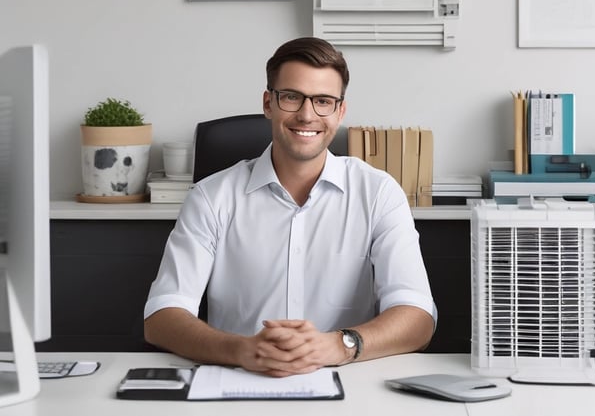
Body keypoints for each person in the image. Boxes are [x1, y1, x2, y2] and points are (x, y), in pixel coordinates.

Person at [144, 36, 436, 376]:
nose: (307, 114)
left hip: (349, 384)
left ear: (340, 111)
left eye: (323, 101)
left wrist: (340, 345)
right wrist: (240, 349)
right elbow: (162, 316)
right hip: (238, 380)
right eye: (292, 97)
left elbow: (417, 317)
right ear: (269, 103)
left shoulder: (378, 193)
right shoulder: (212, 196)